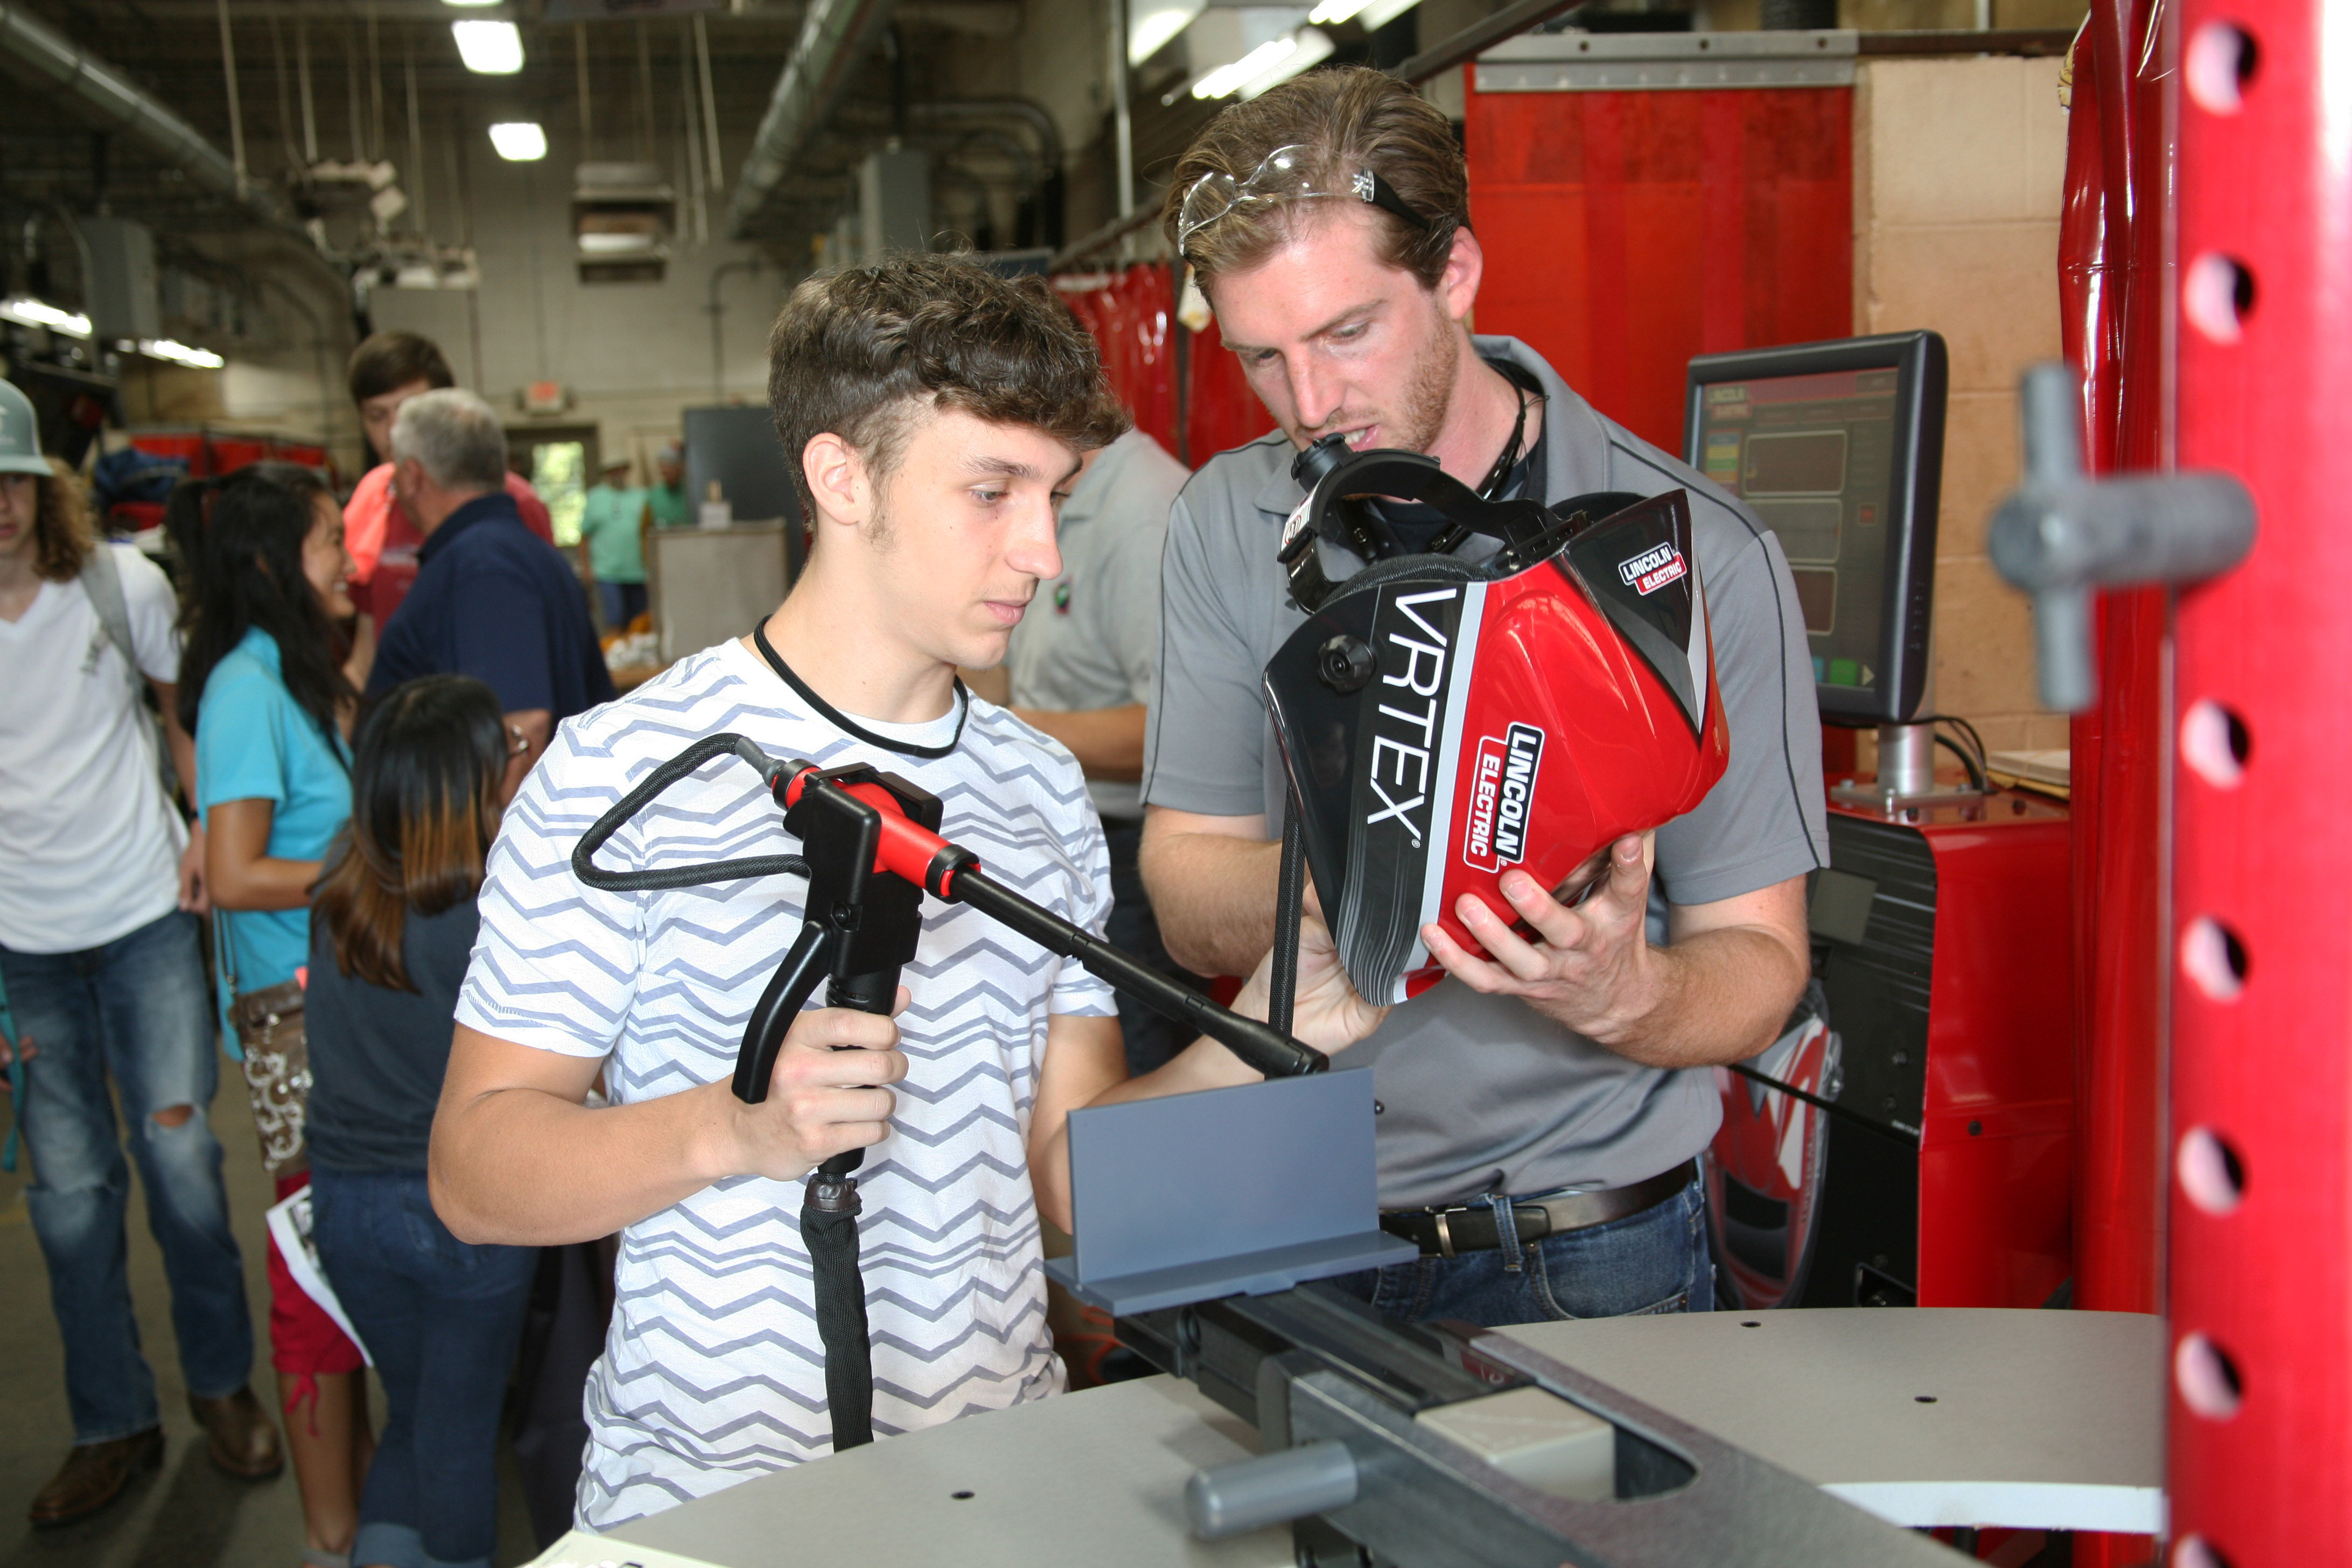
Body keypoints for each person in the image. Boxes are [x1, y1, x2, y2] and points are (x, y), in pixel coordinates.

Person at [428, 253, 1387, 1529]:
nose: (1040, 549)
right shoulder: (622, 772)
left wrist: (1273, 1031)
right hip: (709, 1503)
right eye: (992, 491)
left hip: (998, 1488)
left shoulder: (1039, 790)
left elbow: (1065, 1175)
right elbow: (475, 1174)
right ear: (842, 477)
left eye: (1055, 494)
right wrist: (731, 1130)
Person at [1140, 69, 1828, 1327]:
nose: (1308, 408)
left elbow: (1762, 966)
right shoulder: (1221, 523)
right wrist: (1361, 882)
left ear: (1454, 273)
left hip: (1575, 1241)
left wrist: (1629, 994)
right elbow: (1186, 891)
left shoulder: (1692, 554)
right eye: (1261, 357)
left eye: (1347, 334)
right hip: (1284, 1206)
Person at [0, 381, 280, 1528]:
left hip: (142, 914)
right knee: (68, 1197)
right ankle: (111, 1422)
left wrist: (207, 836)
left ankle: (222, 1387)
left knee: (181, 1168)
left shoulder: (120, 586)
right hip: (21, 943)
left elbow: (181, 713)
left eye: (11, 482)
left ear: (42, 484)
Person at [177, 461, 372, 1563]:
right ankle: (327, 1535)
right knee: (313, 1266)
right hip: (289, 1021)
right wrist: (380, 870)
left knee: (341, 1258)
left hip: (334, 997)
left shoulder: (301, 679)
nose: (347, 558)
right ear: (270, 564)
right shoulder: (247, 688)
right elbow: (239, 869)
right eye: (325, 541)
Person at [307, 675, 536, 1568]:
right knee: (457, 1439)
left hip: (347, 1208)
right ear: (469, 786)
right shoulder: (489, 913)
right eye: (505, 756)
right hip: (460, 1213)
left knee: (412, 1416)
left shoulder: (339, 880)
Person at [998, 426, 1198, 1075]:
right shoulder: (1059, 494)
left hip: (1128, 855)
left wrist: (1005, 733)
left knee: (1131, 1077)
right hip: (1064, 839)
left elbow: (1180, 731)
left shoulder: (1144, 513)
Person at [364, 389, 616, 783]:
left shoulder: (483, 565)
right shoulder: (512, 550)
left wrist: (491, 841)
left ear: (413, 476)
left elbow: (522, 729)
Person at [340, 332, 554, 681]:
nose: (394, 431)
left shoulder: (513, 503)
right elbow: (366, 651)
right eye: (377, 416)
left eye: (410, 411)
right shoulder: (373, 500)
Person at [576, 457, 649, 631]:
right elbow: (584, 536)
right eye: (614, 471)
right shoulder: (596, 498)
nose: (618, 474)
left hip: (637, 572)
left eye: (621, 470)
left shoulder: (641, 497)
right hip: (607, 571)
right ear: (607, 474)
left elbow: (648, 534)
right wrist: (586, 568)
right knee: (615, 617)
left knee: (639, 622)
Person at [646, 440, 691, 529]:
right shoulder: (653, 496)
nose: (665, 470)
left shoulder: (691, 493)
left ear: (679, 468)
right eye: (663, 467)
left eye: (670, 466)